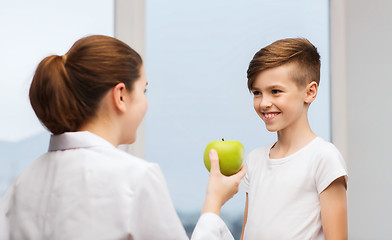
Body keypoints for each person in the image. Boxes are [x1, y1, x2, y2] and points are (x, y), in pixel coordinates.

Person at [0, 35, 245, 240]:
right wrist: (213, 203)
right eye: (144, 89)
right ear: (121, 96)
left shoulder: (19, 187)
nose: (146, 101)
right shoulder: (136, 178)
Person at [239, 38, 348, 240]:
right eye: (257, 92)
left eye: (275, 91)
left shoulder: (323, 158)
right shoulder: (254, 161)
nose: (264, 103)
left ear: (310, 92)